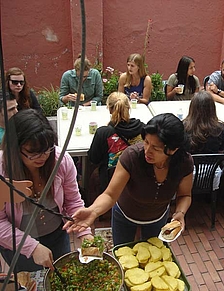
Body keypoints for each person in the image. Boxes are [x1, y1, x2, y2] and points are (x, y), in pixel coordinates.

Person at [65, 113, 193, 245]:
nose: (147, 150)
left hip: (158, 218)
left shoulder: (184, 162)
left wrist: (180, 213)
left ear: (173, 150)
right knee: (122, 251)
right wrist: (93, 211)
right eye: (146, 142)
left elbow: (185, 195)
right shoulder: (132, 156)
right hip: (125, 216)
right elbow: (110, 195)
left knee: (154, 257)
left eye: (155, 148)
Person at [0, 109, 93, 272]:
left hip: (56, 235)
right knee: (30, 281)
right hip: (16, 242)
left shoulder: (61, 160)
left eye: (47, 149)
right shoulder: (2, 170)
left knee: (60, 275)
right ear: (15, 148)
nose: (43, 157)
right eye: (33, 153)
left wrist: (84, 232)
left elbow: (73, 201)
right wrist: (32, 247)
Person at [88, 92, 144, 192]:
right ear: (128, 107)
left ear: (109, 109)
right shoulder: (143, 128)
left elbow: (93, 159)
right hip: (136, 180)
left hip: (111, 183)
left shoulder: (103, 132)